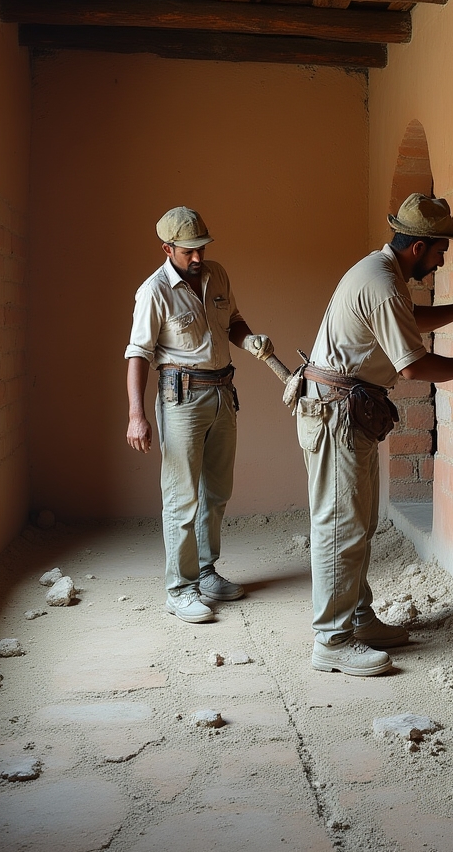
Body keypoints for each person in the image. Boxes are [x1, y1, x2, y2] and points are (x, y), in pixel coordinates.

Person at [296, 193, 453, 676]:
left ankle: (358, 618)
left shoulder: (383, 271)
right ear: (418, 248)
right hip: (336, 415)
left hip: (348, 411)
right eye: (439, 252)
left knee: (359, 522)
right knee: (339, 528)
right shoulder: (384, 284)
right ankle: (331, 640)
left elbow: (405, 325)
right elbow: (412, 366)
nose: (441, 260)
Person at [125, 206, 275, 624]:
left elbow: (235, 322)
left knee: (217, 491)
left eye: (202, 248)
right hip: (181, 399)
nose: (197, 257)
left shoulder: (217, 275)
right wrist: (137, 415)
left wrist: (251, 340)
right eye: (188, 250)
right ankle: (180, 589)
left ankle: (205, 573)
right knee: (182, 496)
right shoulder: (153, 291)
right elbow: (138, 354)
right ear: (167, 248)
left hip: (223, 393)